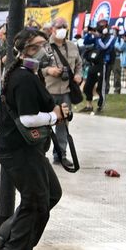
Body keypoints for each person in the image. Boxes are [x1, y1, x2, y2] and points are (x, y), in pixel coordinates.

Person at [0, 28, 64, 250]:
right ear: (30, 50)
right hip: (18, 150)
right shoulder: (22, 78)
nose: (47, 49)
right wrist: (54, 117)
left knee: (51, 194)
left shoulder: (29, 74)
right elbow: (27, 119)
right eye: (41, 44)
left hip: (30, 150)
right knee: (35, 200)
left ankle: (10, 235)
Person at [40, 17, 82, 168]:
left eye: (65, 26)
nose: (62, 29)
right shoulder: (44, 46)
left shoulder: (72, 46)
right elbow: (37, 66)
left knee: (63, 123)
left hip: (66, 90)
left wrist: (79, 75)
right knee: (44, 122)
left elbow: (79, 64)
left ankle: (60, 154)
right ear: (52, 29)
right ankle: (40, 152)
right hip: (48, 90)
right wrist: (49, 70)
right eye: (59, 26)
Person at [81, 22, 117, 113]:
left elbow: (104, 47)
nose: (95, 32)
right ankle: (89, 106)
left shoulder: (111, 37)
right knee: (87, 87)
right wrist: (89, 34)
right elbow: (86, 42)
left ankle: (101, 106)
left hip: (103, 64)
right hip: (94, 64)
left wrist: (98, 37)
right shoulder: (97, 37)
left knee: (101, 87)